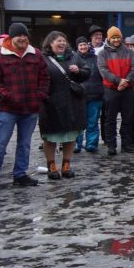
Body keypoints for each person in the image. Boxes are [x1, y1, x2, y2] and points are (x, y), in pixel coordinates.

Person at [0, 22, 49, 191]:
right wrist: (6, 96)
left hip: (30, 108)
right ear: (11, 37)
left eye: (25, 35)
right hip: (7, 109)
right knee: (0, 143)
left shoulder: (36, 54)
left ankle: (20, 174)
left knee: (25, 143)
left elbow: (44, 78)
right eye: (19, 35)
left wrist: (40, 96)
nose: (22, 38)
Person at [38, 31, 87, 180]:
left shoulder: (73, 56)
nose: (62, 43)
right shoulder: (42, 58)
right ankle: (51, 165)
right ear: (50, 43)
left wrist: (79, 71)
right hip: (50, 103)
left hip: (72, 102)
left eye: (64, 41)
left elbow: (87, 72)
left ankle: (66, 165)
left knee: (70, 135)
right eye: (59, 41)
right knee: (50, 136)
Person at [97, 28, 134, 155]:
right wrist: (119, 81)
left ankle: (126, 144)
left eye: (118, 37)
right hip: (111, 89)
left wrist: (126, 81)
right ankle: (111, 145)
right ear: (109, 39)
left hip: (127, 89)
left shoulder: (129, 52)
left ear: (121, 38)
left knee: (128, 118)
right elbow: (103, 71)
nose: (116, 40)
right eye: (113, 37)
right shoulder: (102, 54)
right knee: (110, 118)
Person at [74, 36, 104, 153]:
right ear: (77, 47)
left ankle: (91, 144)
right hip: (78, 95)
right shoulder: (73, 59)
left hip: (95, 94)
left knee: (93, 121)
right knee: (78, 121)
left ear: (88, 45)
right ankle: (76, 144)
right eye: (80, 45)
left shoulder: (96, 58)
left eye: (84, 44)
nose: (83, 47)